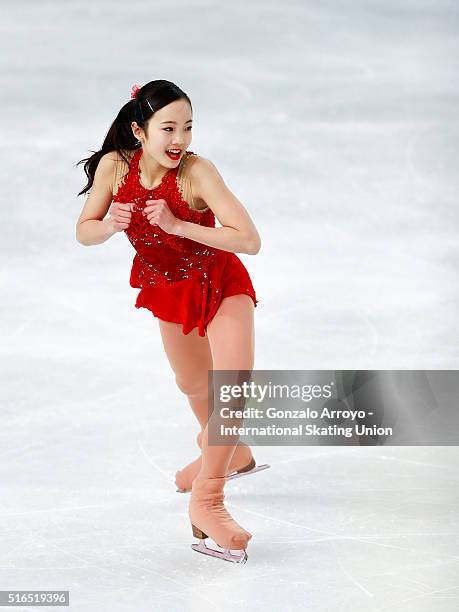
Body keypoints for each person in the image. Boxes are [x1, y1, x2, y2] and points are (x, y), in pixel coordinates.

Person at [75, 79, 269, 563]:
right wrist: (110, 225)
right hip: (168, 288)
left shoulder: (198, 173)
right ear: (139, 131)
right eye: (168, 127)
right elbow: (84, 231)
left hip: (221, 283)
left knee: (231, 386)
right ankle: (231, 455)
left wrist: (179, 225)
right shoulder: (114, 168)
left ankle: (208, 499)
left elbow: (249, 240)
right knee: (193, 386)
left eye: (187, 126)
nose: (180, 138)